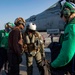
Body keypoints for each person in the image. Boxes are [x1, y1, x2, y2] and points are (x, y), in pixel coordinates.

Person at [50, 2, 75, 75]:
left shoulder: (71, 27)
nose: (62, 18)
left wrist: (53, 65)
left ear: (67, 13)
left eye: (62, 15)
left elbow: (66, 55)